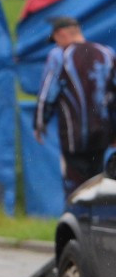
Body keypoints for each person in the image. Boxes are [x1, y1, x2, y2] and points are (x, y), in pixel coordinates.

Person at [34, 16, 116, 197]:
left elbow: (48, 93)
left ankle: (74, 220)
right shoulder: (107, 53)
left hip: (73, 136)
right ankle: (95, 220)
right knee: (97, 183)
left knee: (75, 185)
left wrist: (40, 123)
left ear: (61, 34)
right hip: (102, 134)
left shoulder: (59, 55)